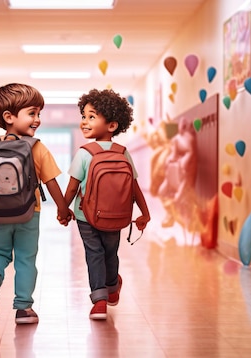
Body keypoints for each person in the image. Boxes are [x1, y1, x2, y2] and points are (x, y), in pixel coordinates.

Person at [0, 83, 72, 325]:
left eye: (39, 114)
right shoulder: (36, 147)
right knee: (25, 258)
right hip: (28, 214)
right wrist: (63, 209)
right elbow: (52, 182)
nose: (38, 120)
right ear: (8, 117)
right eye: (32, 113)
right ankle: (23, 308)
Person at [64, 89, 150, 320]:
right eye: (83, 116)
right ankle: (111, 289)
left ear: (112, 125)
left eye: (92, 117)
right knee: (111, 254)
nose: (84, 122)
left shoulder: (84, 154)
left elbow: (72, 188)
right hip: (117, 216)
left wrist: (64, 210)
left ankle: (99, 300)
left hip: (86, 216)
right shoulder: (123, 153)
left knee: (95, 254)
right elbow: (133, 186)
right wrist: (145, 213)